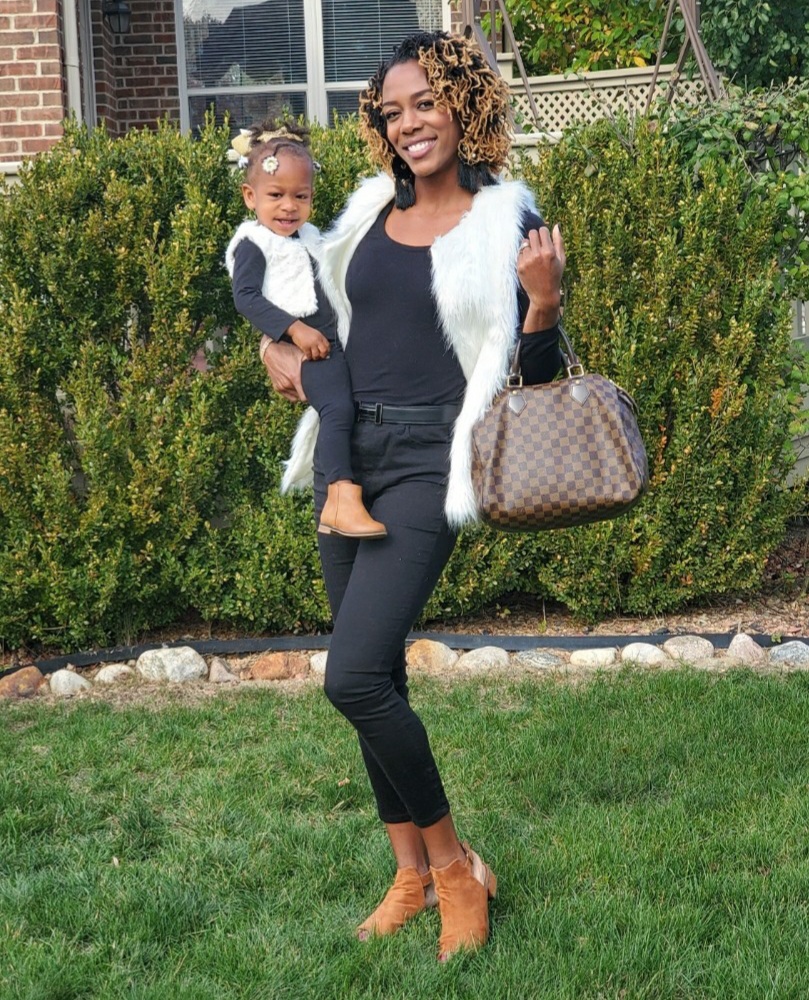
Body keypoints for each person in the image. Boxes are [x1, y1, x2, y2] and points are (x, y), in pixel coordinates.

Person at [261, 32, 565, 960]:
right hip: (349, 459)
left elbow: (533, 379)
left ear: (462, 104)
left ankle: (455, 869)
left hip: (435, 459)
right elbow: (317, 318)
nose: (408, 124)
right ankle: (409, 876)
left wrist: (544, 304)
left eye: (424, 103)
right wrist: (278, 346)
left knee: (350, 676)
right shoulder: (362, 215)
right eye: (391, 112)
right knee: (377, 678)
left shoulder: (505, 220)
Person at [226, 119, 387, 539]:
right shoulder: (253, 244)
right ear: (250, 196)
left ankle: (359, 485)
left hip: (333, 340)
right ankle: (340, 497)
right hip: (308, 347)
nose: (288, 207)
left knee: (351, 405)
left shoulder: (310, 236)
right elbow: (246, 297)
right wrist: (293, 331)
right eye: (275, 195)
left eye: (301, 196)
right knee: (336, 408)